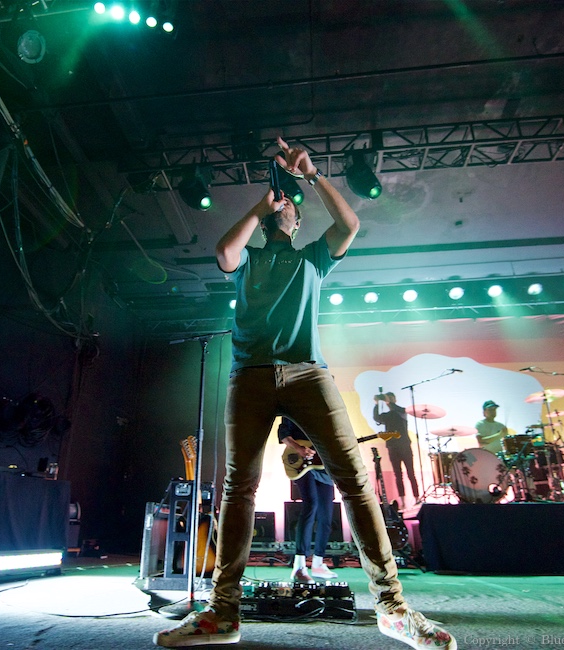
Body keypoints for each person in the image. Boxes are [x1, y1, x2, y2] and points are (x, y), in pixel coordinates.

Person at [153, 137, 457, 650]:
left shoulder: (314, 258)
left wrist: (311, 177)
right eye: (284, 205)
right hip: (249, 374)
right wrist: (262, 205)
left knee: (354, 481)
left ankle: (393, 608)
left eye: (294, 209)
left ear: (298, 224)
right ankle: (222, 613)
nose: (289, 209)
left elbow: (350, 226)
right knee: (238, 489)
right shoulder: (249, 258)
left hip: (308, 374)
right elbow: (223, 253)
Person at [277, 416, 339, 583]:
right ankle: (299, 566)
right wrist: (298, 448)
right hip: (302, 462)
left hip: (322, 463)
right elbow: (283, 433)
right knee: (311, 505)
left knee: (326, 515)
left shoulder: (325, 410)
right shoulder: (292, 405)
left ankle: (318, 562)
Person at [373, 391, 421, 508]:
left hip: (404, 445)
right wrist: (377, 403)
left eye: (391, 398)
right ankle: (402, 501)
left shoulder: (402, 411)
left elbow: (396, 408)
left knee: (410, 472)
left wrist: (387, 400)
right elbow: (376, 417)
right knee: (397, 474)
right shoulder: (387, 415)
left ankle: (417, 498)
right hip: (392, 446)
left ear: (395, 399)